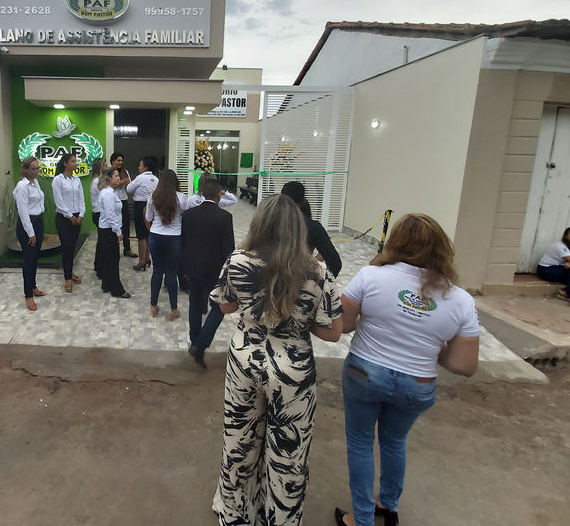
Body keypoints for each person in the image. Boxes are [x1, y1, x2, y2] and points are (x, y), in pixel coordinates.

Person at [334, 213, 480, 526]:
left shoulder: (370, 276)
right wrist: (432, 345)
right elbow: (464, 365)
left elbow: (342, 325)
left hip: (365, 374)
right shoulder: (461, 299)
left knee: (360, 442)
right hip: (418, 384)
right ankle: (387, 506)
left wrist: (372, 321)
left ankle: (362, 519)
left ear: (396, 242)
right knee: (394, 441)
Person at [210, 194, 342, 525]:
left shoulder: (237, 260)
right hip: (292, 368)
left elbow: (225, 305)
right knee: (288, 455)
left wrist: (252, 305)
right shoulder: (317, 271)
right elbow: (333, 333)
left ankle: (235, 514)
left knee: (239, 441)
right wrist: (300, 320)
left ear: (259, 224)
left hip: (245, 360)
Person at [181, 178, 234, 368]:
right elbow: (229, 249)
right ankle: (200, 344)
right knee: (219, 307)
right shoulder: (224, 217)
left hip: (192, 266)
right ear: (219, 194)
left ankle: (195, 341)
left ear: (202, 193)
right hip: (214, 269)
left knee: (195, 302)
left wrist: (182, 267)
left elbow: (183, 242)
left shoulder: (189, 214)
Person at [145, 169, 189, 320]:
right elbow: (187, 216)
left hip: (155, 236)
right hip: (174, 238)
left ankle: (153, 305)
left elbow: (148, 218)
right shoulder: (181, 198)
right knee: (171, 272)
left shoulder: (153, 197)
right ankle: (173, 309)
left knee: (157, 271)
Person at [281, 180, 342, 277]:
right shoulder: (313, 227)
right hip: (300, 279)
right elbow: (335, 263)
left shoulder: (269, 222)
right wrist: (319, 281)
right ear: (303, 200)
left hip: (271, 279)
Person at [13, 157, 46, 311]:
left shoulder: (35, 182)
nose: (37, 171)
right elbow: (23, 212)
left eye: (38, 168)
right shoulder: (22, 186)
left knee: (34, 258)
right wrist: (31, 233)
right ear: (25, 170)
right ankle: (28, 295)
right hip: (28, 225)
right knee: (29, 260)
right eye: (33, 168)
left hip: (38, 221)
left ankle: (33, 286)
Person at [52, 153, 86, 293]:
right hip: (63, 218)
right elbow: (58, 201)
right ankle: (67, 278)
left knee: (72, 247)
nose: (75, 163)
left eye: (75, 161)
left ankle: (70, 272)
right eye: (72, 161)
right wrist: (69, 215)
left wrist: (81, 214)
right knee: (66, 246)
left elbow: (81, 198)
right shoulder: (58, 180)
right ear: (65, 163)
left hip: (77, 217)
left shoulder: (77, 180)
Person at [96, 168, 131, 298]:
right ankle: (117, 289)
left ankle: (106, 284)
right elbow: (110, 215)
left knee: (109, 259)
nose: (118, 178)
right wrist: (118, 231)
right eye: (116, 176)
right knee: (113, 260)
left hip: (108, 229)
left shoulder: (111, 192)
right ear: (109, 178)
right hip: (109, 230)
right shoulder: (108, 194)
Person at [126, 156, 158, 272]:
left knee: (141, 235)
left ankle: (141, 261)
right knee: (149, 233)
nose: (138, 167)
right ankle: (147, 257)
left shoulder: (140, 178)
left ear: (145, 167)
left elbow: (129, 189)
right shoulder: (156, 179)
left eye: (140, 165)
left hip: (140, 207)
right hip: (153, 207)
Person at [110, 152, 137, 258]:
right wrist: (121, 183)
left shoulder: (125, 172)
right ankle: (113, 250)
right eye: (118, 160)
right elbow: (108, 186)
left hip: (124, 200)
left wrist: (127, 184)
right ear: (112, 161)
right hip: (112, 201)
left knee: (126, 225)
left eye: (121, 160)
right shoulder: (108, 172)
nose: (120, 162)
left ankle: (127, 249)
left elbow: (129, 185)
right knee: (113, 225)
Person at [536, 227, 570, 301]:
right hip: (546, 270)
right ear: (566, 236)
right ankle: (567, 294)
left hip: (559, 269)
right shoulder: (560, 246)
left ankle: (564, 291)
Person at [89, 158, 106, 279]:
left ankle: (98, 266)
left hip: (99, 213)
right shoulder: (97, 181)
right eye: (105, 165)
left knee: (101, 242)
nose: (107, 166)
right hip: (99, 214)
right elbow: (104, 197)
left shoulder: (99, 180)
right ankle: (100, 268)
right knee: (103, 243)